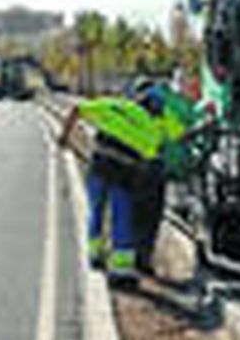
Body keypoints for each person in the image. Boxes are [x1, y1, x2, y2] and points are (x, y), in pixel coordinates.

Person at [59, 81, 172, 288]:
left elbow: (77, 109)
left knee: (96, 211)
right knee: (122, 216)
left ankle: (94, 255)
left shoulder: (116, 105)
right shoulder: (153, 130)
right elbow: (149, 163)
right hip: (123, 174)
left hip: (99, 166)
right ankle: (120, 270)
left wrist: (64, 137)